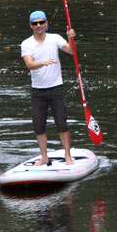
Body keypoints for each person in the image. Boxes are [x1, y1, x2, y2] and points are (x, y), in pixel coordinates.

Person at [20, 10, 76, 165]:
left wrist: (71, 39)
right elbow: (29, 64)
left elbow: (71, 51)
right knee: (39, 125)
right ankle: (44, 157)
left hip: (56, 87)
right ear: (31, 26)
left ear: (46, 23)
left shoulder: (55, 38)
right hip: (38, 90)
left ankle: (68, 156)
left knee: (62, 123)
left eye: (41, 22)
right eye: (35, 23)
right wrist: (43, 63)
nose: (39, 26)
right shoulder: (27, 44)